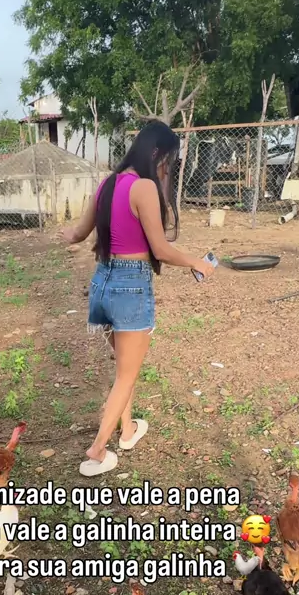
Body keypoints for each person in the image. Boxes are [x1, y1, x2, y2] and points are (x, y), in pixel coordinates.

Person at [63, 121, 216, 477]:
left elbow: (79, 233)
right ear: (156, 153)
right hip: (130, 287)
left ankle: (128, 430)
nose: (167, 168)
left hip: (102, 283)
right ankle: (98, 449)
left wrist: (65, 235)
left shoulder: (107, 183)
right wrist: (196, 262)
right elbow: (160, 250)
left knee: (124, 369)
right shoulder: (143, 187)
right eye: (168, 161)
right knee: (126, 375)